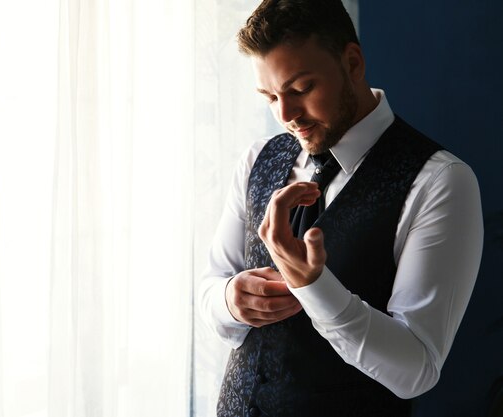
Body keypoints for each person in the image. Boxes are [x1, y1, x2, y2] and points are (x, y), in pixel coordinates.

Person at [198, 0, 484, 416]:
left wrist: (315, 286)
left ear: (352, 63)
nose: (286, 114)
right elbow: (211, 288)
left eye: (300, 90)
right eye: (270, 96)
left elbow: (417, 369)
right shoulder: (257, 158)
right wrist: (230, 299)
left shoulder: (441, 181)